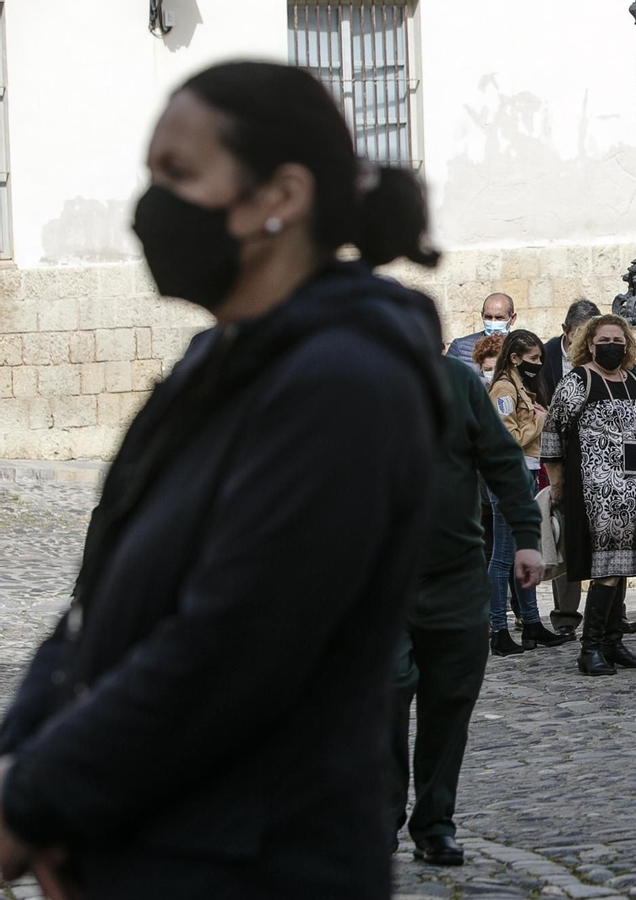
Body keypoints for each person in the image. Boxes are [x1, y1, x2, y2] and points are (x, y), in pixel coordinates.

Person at [0, 61, 442, 898]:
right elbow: (98, 599)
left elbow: (236, 643)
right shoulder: (219, 358)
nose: (151, 208)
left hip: (255, 862)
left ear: (279, 194)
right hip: (153, 845)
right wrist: (28, 764)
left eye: (179, 175)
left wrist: (34, 800)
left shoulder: (345, 382)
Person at [393, 355, 544, 867]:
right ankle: (380, 813)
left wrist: (527, 538)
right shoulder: (345, 386)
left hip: (455, 576)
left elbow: (502, 461)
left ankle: (434, 823)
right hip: (379, 585)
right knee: (383, 697)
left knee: (450, 701)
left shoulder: (458, 383)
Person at [541, 314, 636, 676]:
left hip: (635, 491)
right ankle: (590, 647)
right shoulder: (577, 381)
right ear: (589, 344)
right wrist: (559, 484)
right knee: (606, 569)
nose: (612, 345)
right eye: (604, 340)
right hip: (597, 492)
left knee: (622, 568)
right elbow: (553, 434)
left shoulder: (631, 381)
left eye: (618, 339)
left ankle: (612, 642)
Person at [485, 329, 567, 654]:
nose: (537, 365)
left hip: (526, 473)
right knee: (503, 557)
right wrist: (541, 421)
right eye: (532, 359)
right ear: (515, 358)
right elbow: (508, 436)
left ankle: (532, 622)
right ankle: (500, 629)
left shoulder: (519, 387)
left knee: (526, 554)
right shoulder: (504, 390)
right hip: (510, 477)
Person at [540, 299, 603, 639]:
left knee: (607, 540)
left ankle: (610, 613)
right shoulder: (548, 355)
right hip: (565, 459)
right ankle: (565, 615)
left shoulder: (608, 361)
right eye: (581, 334)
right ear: (566, 331)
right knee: (568, 538)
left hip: (601, 465)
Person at [446, 292, 517, 364]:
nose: (493, 322)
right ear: (482, 316)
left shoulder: (522, 348)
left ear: (512, 319)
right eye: (488, 317)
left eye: (499, 318)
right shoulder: (461, 348)